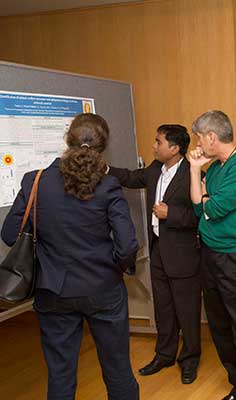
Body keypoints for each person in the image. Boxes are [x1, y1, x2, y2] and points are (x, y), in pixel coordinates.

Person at [1, 113, 139, 399]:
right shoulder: (109, 185)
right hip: (103, 289)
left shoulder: (35, 182)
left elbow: (10, 234)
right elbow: (126, 246)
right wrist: (112, 269)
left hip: (53, 290)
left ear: (67, 139)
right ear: (104, 146)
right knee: (118, 371)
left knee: (60, 376)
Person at [108, 124, 202, 384]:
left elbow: (201, 215)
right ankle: (164, 354)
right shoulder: (154, 169)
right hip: (159, 250)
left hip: (183, 256)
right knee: (163, 308)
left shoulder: (193, 173)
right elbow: (130, 177)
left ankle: (190, 360)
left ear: (174, 148)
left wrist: (170, 214)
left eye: (158, 142)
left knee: (187, 311)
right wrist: (103, 169)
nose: (154, 146)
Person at [188, 110, 236, 400]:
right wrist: (196, 171)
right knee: (219, 326)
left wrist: (206, 199)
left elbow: (212, 209)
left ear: (211, 137)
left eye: (199, 137)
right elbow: (199, 209)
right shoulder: (217, 167)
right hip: (210, 255)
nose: (197, 144)